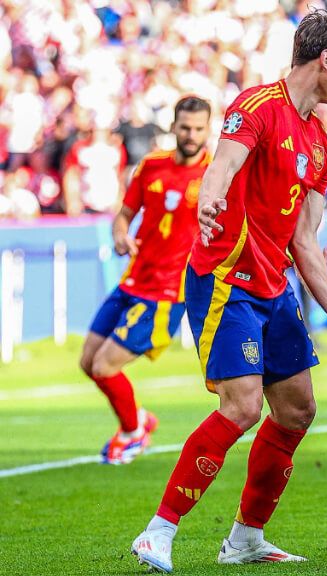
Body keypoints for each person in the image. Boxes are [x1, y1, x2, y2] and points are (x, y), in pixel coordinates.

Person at [130, 11, 327, 573]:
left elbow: (305, 243)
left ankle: (245, 537)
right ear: (325, 60)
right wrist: (209, 201)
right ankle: (158, 532)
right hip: (226, 278)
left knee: (297, 410)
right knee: (241, 406)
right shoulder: (258, 105)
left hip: (274, 286)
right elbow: (222, 168)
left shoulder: (320, 144)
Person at [79, 95, 212, 465]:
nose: (191, 135)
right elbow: (123, 215)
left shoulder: (215, 175)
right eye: (185, 127)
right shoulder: (152, 165)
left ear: (207, 130)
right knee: (88, 362)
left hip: (167, 292)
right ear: (173, 126)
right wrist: (120, 235)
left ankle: (132, 433)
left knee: (105, 366)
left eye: (198, 129)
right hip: (133, 279)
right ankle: (137, 419)